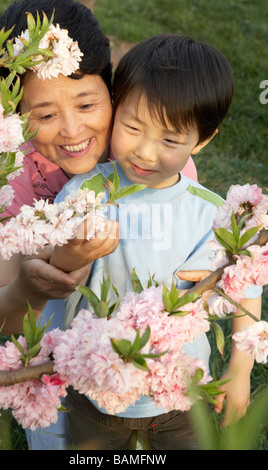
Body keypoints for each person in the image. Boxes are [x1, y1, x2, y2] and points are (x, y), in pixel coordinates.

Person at [0, 0, 197, 450]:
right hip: (58, 378)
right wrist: (32, 286)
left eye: (86, 103)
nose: (72, 129)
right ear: (14, 115)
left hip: (147, 384)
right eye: (44, 115)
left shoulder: (153, 160)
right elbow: (1, 317)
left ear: (113, 91)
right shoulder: (10, 179)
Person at [52, 34, 262, 450]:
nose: (145, 152)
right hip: (93, 384)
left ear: (201, 140)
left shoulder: (214, 214)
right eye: (132, 127)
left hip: (181, 391)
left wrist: (240, 371)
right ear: (116, 111)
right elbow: (50, 272)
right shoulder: (82, 195)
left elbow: (245, 286)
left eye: (169, 140)